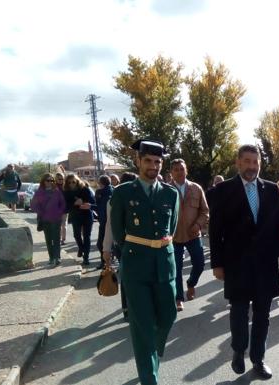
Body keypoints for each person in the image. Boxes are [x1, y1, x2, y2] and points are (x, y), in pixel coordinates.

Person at [209, 145, 279, 380]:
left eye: (255, 162)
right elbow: (215, 230)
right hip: (236, 264)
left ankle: (258, 359)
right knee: (239, 312)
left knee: (263, 315)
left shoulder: (272, 190)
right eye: (247, 161)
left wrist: (273, 251)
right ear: (238, 163)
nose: (252, 166)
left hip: (264, 265)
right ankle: (238, 350)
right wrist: (217, 263)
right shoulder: (223, 190)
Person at [109, 139, 179, 385]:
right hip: (136, 265)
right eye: (148, 161)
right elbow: (118, 233)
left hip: (164, 264)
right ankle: (150, 378)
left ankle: (155, 348)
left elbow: (172, 228)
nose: (153, 166)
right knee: (142, 327)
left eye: (158, 162)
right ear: (138, 161)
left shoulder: (171, 194)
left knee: (169, 315)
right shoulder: (123, 193)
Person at [170, 158, 209, 311]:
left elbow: (205, 211)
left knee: (200, 264)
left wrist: (198, 224)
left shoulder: (196, 188)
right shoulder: (166, 190)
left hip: (193, 234)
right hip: (174, 237)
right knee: (176, 268)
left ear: (186, 170)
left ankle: (191, 283)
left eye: (182, 169)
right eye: (176, 169)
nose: (179, 172)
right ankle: (179, 298)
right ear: (171, 172)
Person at [103, 171, 137, 321]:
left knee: (129, 277)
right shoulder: (113, 201)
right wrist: (106, 249)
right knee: (127, 276)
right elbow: (110, 226)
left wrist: (106, 249)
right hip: (123, 245)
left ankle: (131, 308)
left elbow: (107, 227)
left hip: (131, 245)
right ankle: (128, 308)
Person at [31, 173, 66, 266]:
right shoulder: (39, 192)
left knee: (56, 239)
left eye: (52, 180)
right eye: (48, 180)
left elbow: (62, 203)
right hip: (45, 219)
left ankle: (57, 258)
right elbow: (33, 205)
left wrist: (59, 212)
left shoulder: (56, 191)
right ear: (43, 181)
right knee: (49, 239)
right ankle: (51, 257)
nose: (50, 182)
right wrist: (41, 212)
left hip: (56, 219)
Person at [63, 174, 95, 266]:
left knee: (86, 236)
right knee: (76, 235)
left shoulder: (84, 189)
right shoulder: (66, 192)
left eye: (74, 182)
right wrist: (74, 203)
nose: (72, 184)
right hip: (75, 215)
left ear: (77, 181)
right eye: (69, 182)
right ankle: (81, 248)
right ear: (67, 183)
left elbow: (92, 201)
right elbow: (66, 207)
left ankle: (86, 258)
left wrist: (84, 202)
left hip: (87, 215)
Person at [95, 175, 114, 270]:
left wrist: (90, 206)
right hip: (110, 220)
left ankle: (105, 262)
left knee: (101, 244)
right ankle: (108, 261)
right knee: (108, 243)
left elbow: (99, 206)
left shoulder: (100, 192)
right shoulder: (114, 190)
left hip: (104, 221)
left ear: (101, 183)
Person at [54, 173, 67, 245]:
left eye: (62, 179)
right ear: (56, 179)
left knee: (64, 225)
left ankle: (63, 239)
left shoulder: (65, 187)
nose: (61, 180)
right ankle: (58, 239)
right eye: (59, 179)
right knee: (58, 225)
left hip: (64, 209)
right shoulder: (54, 187)